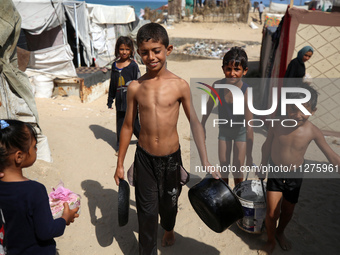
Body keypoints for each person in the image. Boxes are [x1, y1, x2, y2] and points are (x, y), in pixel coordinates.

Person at [113, 23, 218, 255]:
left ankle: (169, 228)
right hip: (144, 159)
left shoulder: (180, 86)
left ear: (168, 49)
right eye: (145, 51)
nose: (151, 57)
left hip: (171, 159)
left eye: (156, 50)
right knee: (146, 213)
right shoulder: (135, 87)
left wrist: (206, 161)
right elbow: (128, 125)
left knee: (169, 206)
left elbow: (195, 123)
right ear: (138, 52)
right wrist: (120, 163)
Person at [257, 84, 340, 254]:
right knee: (272, 212)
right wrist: (262, 165)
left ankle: (280, 232)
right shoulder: (276, 124)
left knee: (288, 211)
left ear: (313, 111)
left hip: (295, 175)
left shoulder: (313, 132)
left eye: (304, 110)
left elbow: (330, 154)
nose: (297, 115)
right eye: (293, 109)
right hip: (275, 172)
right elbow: (266, 146)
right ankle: (271, 240)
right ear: (286, 107)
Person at [0, 119, 79, 254]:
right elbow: (46, 231)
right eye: (34, 146)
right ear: (19, 156)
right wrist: (65, 218)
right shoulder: (34, 190)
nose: (36, 149)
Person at [201, 47, 253, 186]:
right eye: (228, 69)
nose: (232, 73)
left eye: (237, 69)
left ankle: (238, 192)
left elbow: (249, 124)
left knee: (237, 167)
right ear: (223, 69)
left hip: (240, 133)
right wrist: (202, 124)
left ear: (245, 71)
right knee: (224, 165)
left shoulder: (246, 91)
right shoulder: (217, 85)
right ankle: (226, 194)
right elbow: (208, 106)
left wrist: (250, 154)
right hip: (224, 131)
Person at [107, 36, 141, 155]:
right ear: (117, 50)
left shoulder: (133, 66)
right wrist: (110, 99)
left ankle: (143, 141)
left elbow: (138, 83)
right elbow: (113, 84)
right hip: (120, 102)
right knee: (120, 124)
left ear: (131, 50)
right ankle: (120, 147)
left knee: (135, 123)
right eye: (121, 49)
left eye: (127, 49)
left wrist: (140, 100)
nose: (124, 52)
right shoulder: (115, 66)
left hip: (131, 101)